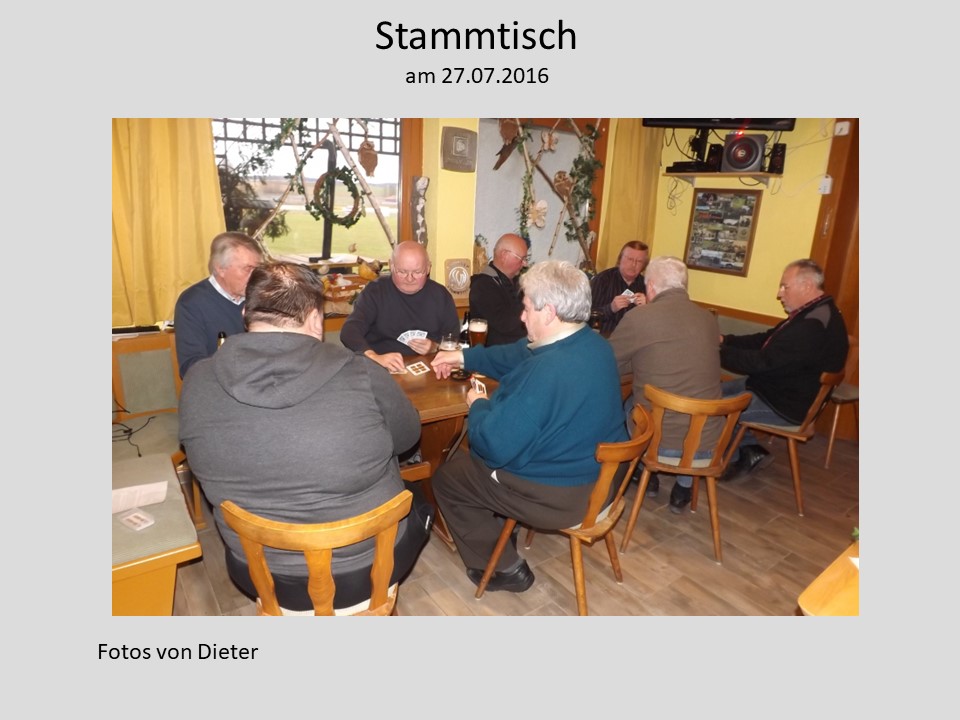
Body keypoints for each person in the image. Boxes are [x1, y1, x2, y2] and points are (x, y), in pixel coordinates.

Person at [179, 262, 432, 612]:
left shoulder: (196, 381)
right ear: (315, 320)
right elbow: (407, 438)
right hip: (365, 570)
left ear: (245, 314)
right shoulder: (362, 372)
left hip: (257, 573)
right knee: (418, 494)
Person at [430, 260, 628, 593]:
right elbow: (519, 354)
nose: (522, 317)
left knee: (450, 476)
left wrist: (478, 404)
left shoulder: (546, 372)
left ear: (548, 312)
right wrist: (464, 358)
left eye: (526, 308)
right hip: (603, 482)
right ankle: (502, 526)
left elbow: (492, 446)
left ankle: (503, 568)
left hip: (564, 498)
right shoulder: (594, 345)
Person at [608, 256, 722, 513]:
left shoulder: (640, 317)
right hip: (708, 443)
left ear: (650, 287)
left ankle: (643, 471)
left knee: (627, 404)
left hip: (658, 443)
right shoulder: (708, 318)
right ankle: (684, 485)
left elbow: (608, 361)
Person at [720, 258, 849, 481]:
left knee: (716, 408)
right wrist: (725, 340)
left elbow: (760, 363)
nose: (779, 294)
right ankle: (751, 450)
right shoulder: (817, 311)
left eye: (784, 287)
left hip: (786, 405)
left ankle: (733, 458)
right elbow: (766, 340)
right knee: (712, 392)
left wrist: (717, 351)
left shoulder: (811, 326)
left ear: (807, 286)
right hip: (776, 389)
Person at [340, 240, 460, 373]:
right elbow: (349, 331)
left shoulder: (440, 295)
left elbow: (453, 341)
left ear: (428, 268)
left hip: (430, 369)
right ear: (391, 266)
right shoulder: (375, 291)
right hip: (381, 369)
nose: (410, 278)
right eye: (402, 272)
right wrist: (375, 357)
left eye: (417, 272)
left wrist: (434, 347)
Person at [174, 232, 264, 379]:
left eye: (258, 269)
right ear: (220, 268)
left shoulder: (262, 296)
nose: (256, 277)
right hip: (219, 386)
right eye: (248, 269)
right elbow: (190, 367)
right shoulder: (191, 303)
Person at [469, 233, 528, 345]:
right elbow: (506, 325)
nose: (525, 264)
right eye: (522, 259)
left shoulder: (519, 282)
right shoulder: (483, 286)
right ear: (504, 255)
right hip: (497, 352)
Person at [589, 240, 650, 335]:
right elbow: (586, 316)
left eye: (639, 261)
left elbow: (653, 323)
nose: (633, 264)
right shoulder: (602, 280)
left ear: (644, 266)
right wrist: (610, 308)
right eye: (630, 259)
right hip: (605, 338)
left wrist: (647, 308)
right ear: (620, 259)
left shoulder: (647, 286)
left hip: (634, 338)